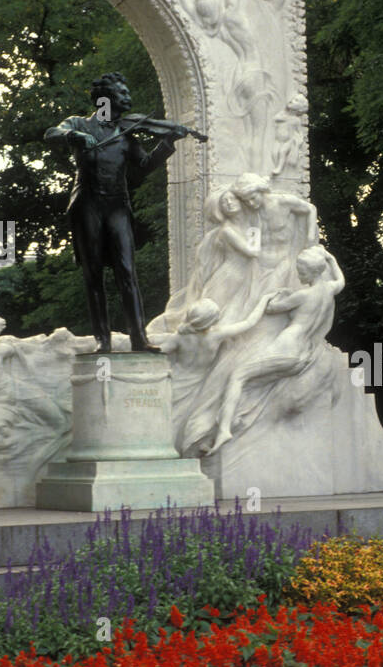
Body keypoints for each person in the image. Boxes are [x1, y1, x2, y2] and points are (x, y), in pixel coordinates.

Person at [44, 71, 192, 353]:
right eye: (121, 94)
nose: (128, 97)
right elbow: (52, 133)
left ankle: (139, 338)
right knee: (94, 274)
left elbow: (145, 165)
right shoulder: (80, 124)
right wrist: (74, 136)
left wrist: (168, 142)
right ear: (105, 99)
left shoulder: (125, 134)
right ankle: (102, 339)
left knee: (127, 271)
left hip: (117, 206)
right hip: (87, 204)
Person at [207, 245, 342, 454]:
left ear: (312, 271)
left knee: (238, 376)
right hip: (302, 355)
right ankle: (238, 419)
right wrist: (330, 257)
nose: (299, 274)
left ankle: (224, 429)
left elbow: (272, 308)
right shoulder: (330, 289)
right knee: (255, 383)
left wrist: (267, 296)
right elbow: (342, 280)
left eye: (301, 271)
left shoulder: (303, 295)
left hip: (285, 348)